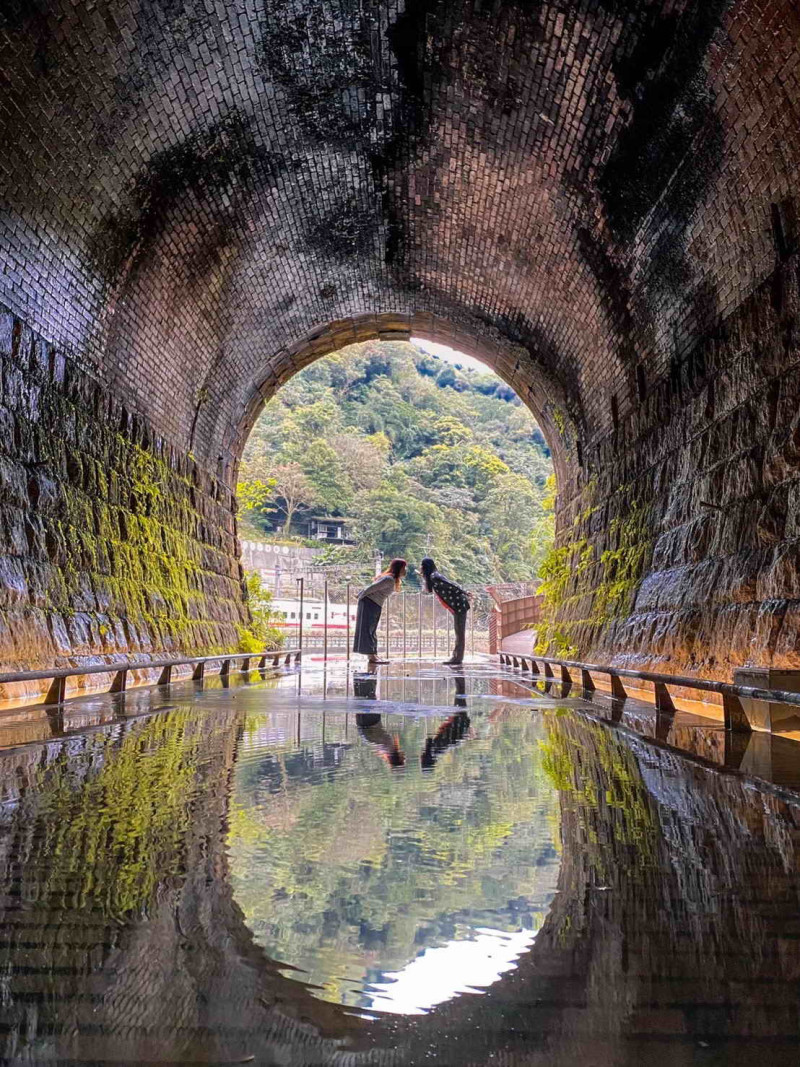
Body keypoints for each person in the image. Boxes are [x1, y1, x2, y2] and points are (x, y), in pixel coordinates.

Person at [353, 558, 407, 670]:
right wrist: (360, 595)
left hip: (374, 604)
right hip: (369, 603)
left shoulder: (392, 579)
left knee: (371, 629)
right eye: (404, 567)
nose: (405, 570)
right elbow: (372, 588)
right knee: (368, 629)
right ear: (399, 568)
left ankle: (373, 654)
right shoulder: (389, 579)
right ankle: (371, 656)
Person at [420, 556, 470, 665]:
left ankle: (457, 658)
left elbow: (451, 584)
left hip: (459, 604)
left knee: (459, 632)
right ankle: (457, 657)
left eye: (422, 566)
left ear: (425, 567)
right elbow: (428, 590)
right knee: (459, 632)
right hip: (456, 605)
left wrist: (465, 592)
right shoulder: (433, 576)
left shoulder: (435, 576)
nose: (420, 568)